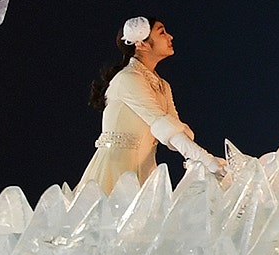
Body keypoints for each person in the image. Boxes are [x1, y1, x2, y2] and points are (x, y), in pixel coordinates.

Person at [80, 16, 225, 192]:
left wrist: (201, 161)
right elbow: (164, 126)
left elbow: (174, 130)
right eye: (162, 32)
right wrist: (209, 162)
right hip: (117, 173)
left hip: (146, 174)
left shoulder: (162, 85)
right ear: (141, 44)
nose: (170, 37)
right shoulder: (128, 79)